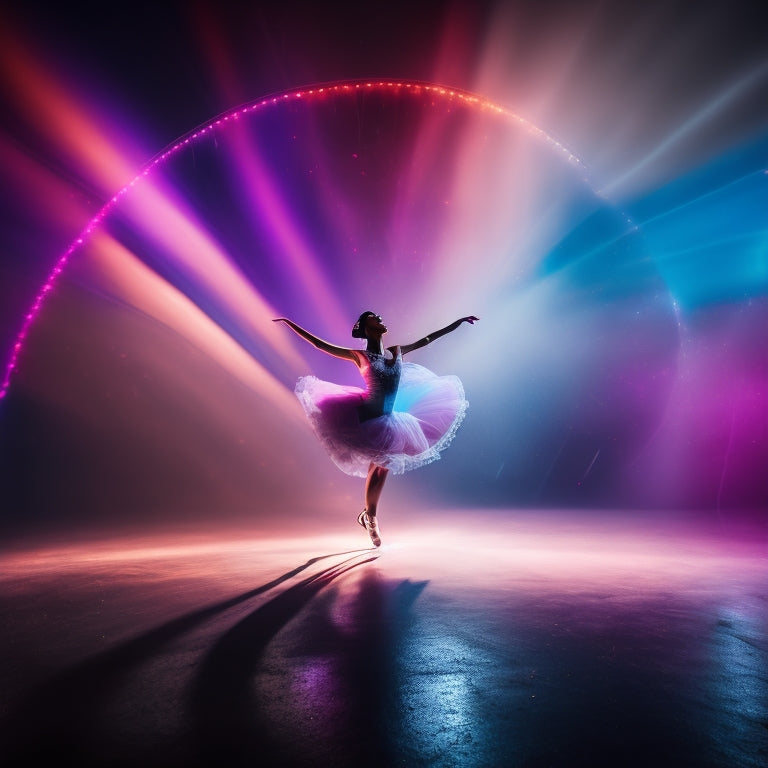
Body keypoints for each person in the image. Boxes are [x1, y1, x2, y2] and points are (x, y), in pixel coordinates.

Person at [273, 311, 478, 546]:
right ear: (364, 326)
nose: (380, 317)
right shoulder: (360, 355)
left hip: (390, 420)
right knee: (380, 465)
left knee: (383, 466)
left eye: (379, 316)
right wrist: (290, 323)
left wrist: (457, 322)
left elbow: (429, 339)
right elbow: (320, 345)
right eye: (373, 317)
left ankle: (368, 515)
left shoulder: (397, 351)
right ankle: (370, 517)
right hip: (366, 418)